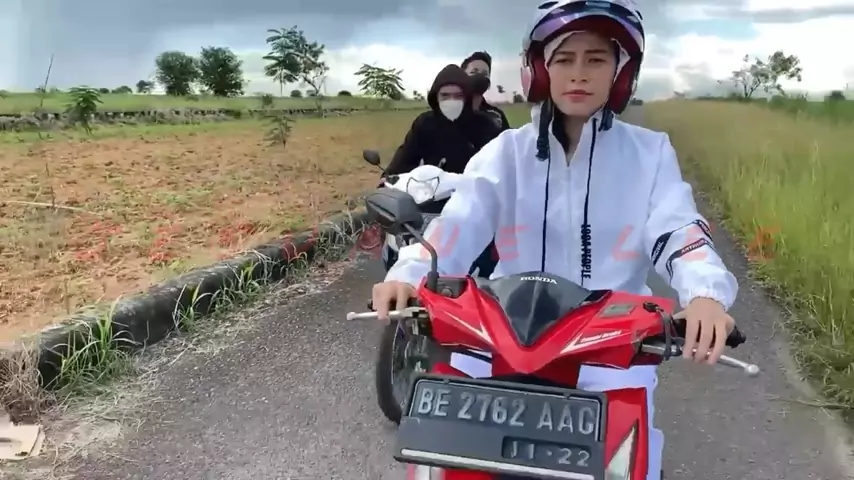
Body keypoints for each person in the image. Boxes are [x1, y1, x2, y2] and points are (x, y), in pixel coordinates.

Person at [371, 1, 739, 479]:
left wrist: (705, 294)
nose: (578, 73)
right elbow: (459, 223)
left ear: (621, 72)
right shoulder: (507, 152)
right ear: (541, 69)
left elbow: (678, 230)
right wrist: (410, 274)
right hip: (500, 345)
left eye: (596, 59)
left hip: (610, 356)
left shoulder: (649, 154)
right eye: (564, 59)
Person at [383, 64, 502, 176]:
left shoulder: (485, 125)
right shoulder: (424, 123)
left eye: (458, 96)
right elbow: (404, 159)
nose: (452, 100)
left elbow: (499, 166)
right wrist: (389, 177)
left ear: (467, 98)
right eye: (445, 95)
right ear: (436, 97)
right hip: (433, 188)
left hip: (472, 188)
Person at [461, 51, 511, 131]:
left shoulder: (496, 116)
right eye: (473, 72)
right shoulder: (452, 113)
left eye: (485, 74)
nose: (479, 77)